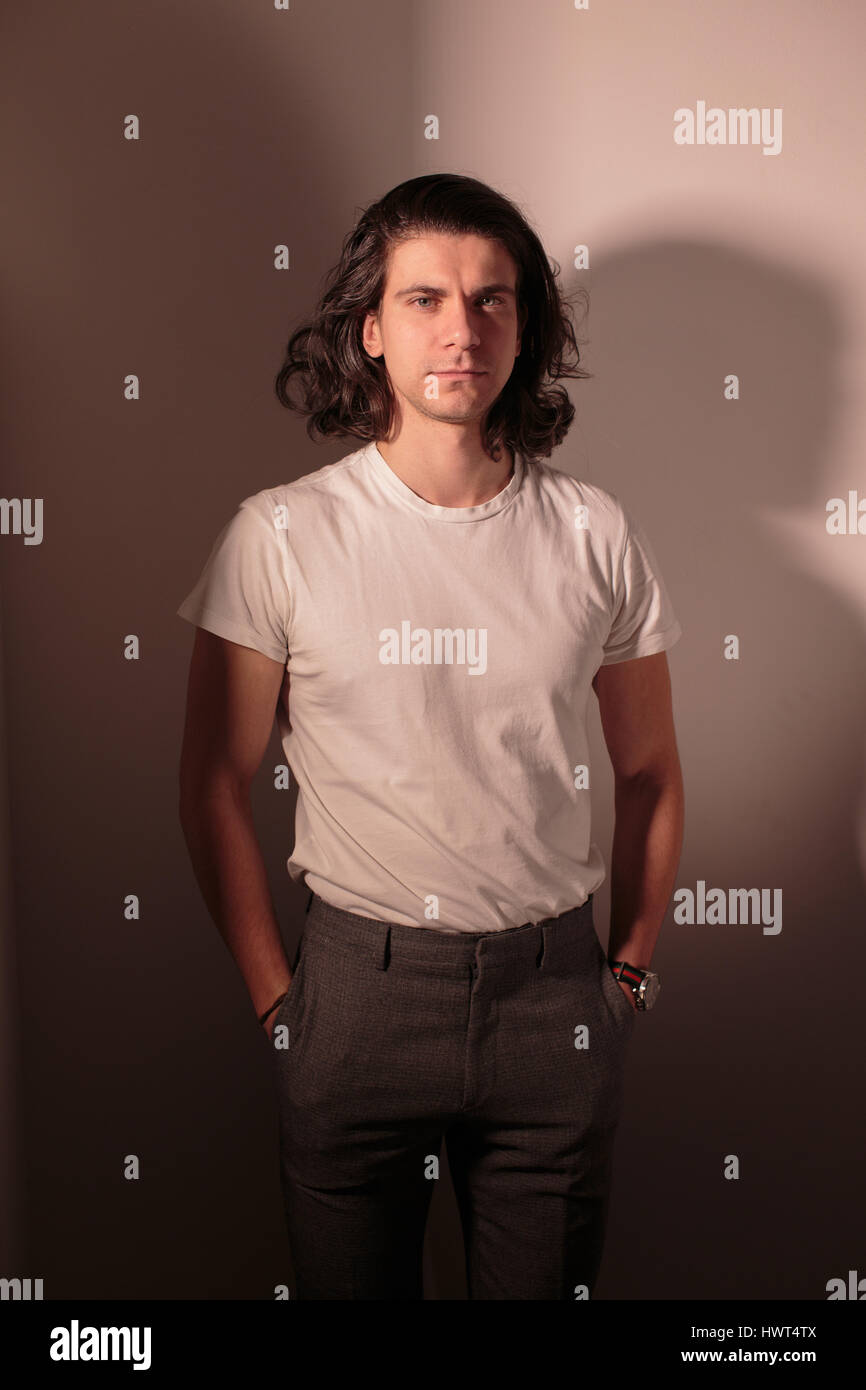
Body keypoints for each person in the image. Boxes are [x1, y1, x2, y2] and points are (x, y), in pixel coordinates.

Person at [177, 172, 685, 1300]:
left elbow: (648, 769)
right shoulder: (280, 534)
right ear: (369, 328)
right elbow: (213, 781)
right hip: (354, 996)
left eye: (492, 299)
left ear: (526, 327)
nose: (461, 328)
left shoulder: (594, 532)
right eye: (423, 299)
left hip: (555, 993)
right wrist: (278, 1004)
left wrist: (629, 975)